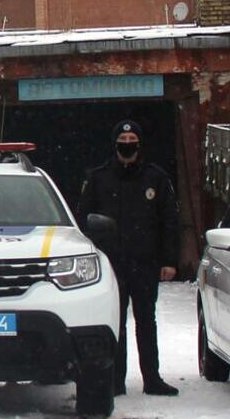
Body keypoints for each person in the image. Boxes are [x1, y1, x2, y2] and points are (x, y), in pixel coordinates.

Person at [77, 120, 181, 397]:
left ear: (140, 143)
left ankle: (152, 378)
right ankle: (115, 380)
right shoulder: (98, 178)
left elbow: (169, 221)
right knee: (115, 321)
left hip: (145, 262)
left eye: (132, 138)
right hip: (111, 265)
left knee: (147, 321)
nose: (127, 143)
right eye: (122, 139)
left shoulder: (155, 178)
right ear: (115, 144)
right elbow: (83, 221)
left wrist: (169, 260)